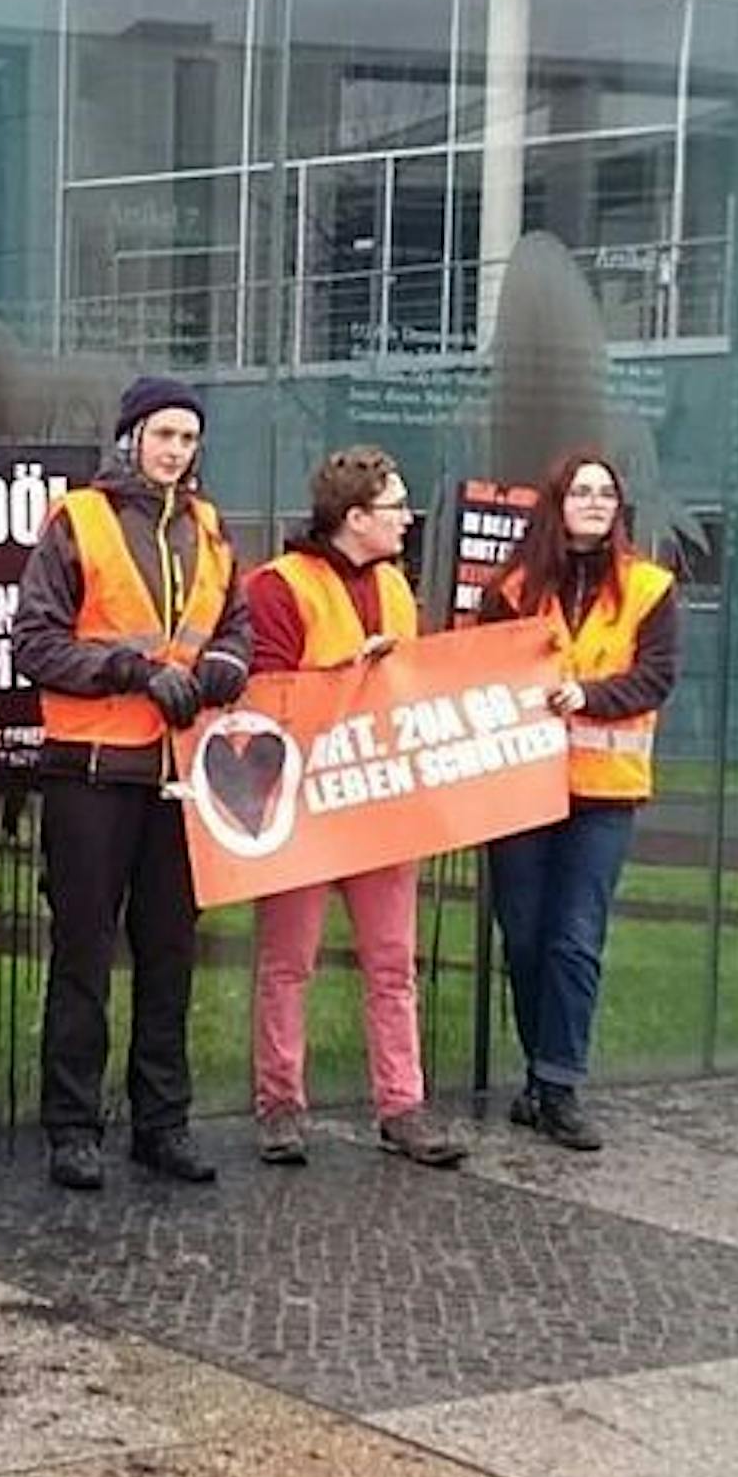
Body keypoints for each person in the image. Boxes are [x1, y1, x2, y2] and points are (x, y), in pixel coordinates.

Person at [12, 375, 251, 1191]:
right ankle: (72, 1129)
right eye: (163, 436)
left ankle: (163, 1123)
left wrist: (224, 665)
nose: (176, 451)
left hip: (178, 776)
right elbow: (35, 645)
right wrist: (130, 671)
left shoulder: (213, 531)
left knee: (170, 954)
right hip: (91, 771)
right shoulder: (77, 520)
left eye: (188, 439)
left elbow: (236, 627)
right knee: (82, 955)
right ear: (130, 439)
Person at [245, 446, 467, 1169]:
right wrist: (343, 677)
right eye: (395, 506)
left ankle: (402, 1106)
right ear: (355, 517)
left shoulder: (397, 587)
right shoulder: (278, 587)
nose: (407, 518)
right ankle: (279, 1106)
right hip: (305, 805)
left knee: (394, 962)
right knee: (288, 962)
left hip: (378, 802)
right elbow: (267, 698)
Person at [480, 450, 679, 1151]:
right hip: (520, 788)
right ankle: (539, 1079)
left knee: (574, 940)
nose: (595, 502)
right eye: (582, 491)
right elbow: (477, 672)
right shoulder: (511, 587)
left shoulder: (649, 588)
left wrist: (587, 698)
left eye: (607, 493)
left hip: (602, 795)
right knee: (527, 936)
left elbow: (655, 678)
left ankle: (559, 1085)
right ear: (557, 503)